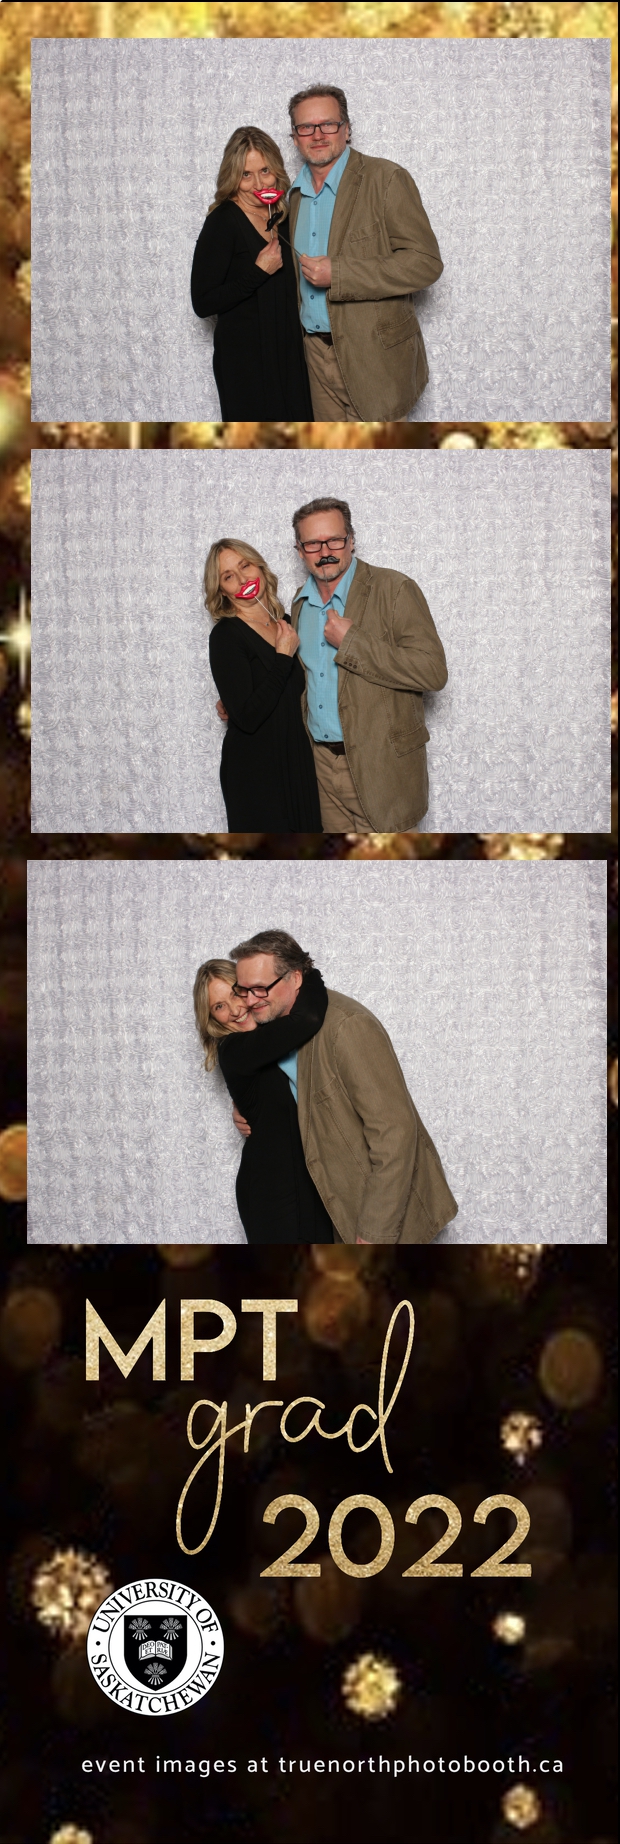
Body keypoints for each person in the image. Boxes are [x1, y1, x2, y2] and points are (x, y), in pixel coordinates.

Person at [230, 930, 458, 1246]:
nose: (249, 1000)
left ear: (295, 978)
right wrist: (244, 1104)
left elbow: (395, 1133)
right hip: (330, 1206)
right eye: (243, 990)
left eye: (259, 988)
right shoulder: (272, 1025)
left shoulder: (346, 1027)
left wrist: (375, 1232)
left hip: (379, 1213)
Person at [290, 495, 448, 831]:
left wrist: (352, 642)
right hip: (320, 769)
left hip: (382, 770)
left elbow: (432, 671)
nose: (325, 551)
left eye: (335, 539)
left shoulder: (395, 589)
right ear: (300, 551)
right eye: (313, 544)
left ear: (351, 540)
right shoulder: (299, 605)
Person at [287, 84, 443, 422]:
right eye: (306, 127)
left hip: (374, 363)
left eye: (328, 124)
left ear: (347, 129)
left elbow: (425, 263)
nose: (318, 135)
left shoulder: (386, 179)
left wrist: (339, 274)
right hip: (314, 358)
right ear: (295, 137)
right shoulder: (294, 195)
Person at [193, 955, 334, 1244]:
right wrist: (306, 972)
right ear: (211, 1018)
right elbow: (308, 1018)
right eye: (219, 1006)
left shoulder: (272, 1032)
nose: (234, 1010)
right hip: (272, 1194)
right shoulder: (234, 1049)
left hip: (309, 1181)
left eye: (235, 993)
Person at [190, 126, 313, 419]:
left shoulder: (283, 216)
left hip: (290, 355)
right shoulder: (222, 221)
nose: (257, 183)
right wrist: (259, 272)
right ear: (233, 176)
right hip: (245, 364)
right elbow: (203, 303)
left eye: (265, 171)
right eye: (246, 174)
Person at [205, 537, 322, 830]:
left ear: (259, 566)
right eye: (228, 576)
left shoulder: (288, 623)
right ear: (221, 590)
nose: (242, 578)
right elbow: (247, 717)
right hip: (256, 774)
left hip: (299, 764)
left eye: (245, 565)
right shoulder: (226, 636)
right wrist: (282, 658)